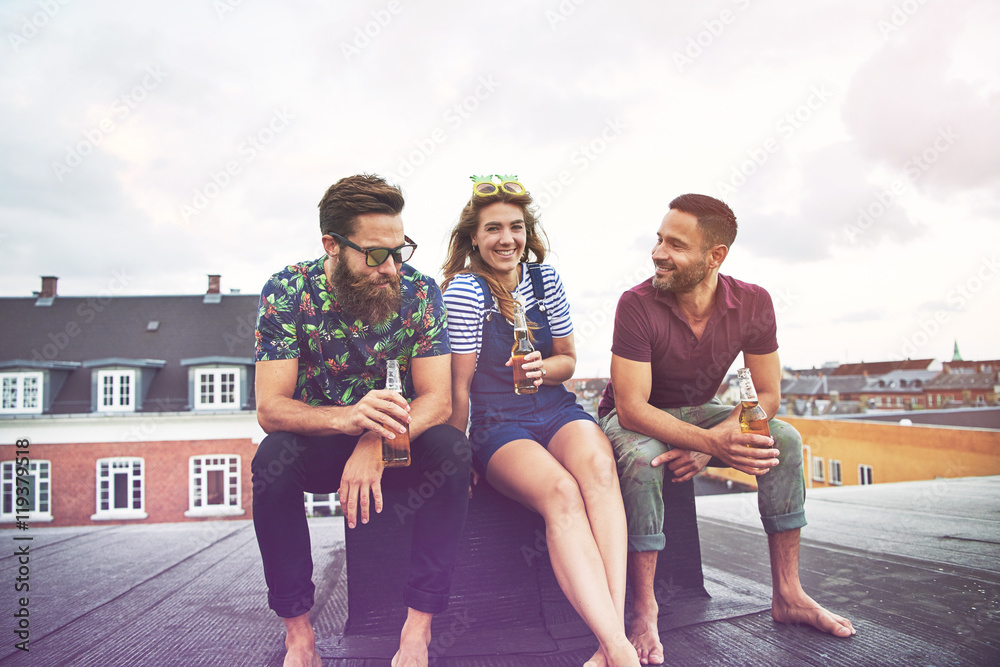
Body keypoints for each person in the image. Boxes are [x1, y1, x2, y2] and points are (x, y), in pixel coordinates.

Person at [597, 193, 856, 665]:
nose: (657, 252)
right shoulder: (636, 304)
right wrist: (709, 442)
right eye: (659, 239)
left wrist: (706, 446)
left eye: (675, 244)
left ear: (715, 255)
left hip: (702, 410)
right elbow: (632, 409)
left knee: (784, 439)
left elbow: (768, 397)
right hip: (637, 416)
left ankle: (789, 593)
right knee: (641, 458)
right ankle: (644, 609)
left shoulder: (754, 302)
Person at [252, 174, 471, 667]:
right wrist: (349, 420)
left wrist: (374, 442)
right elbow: (271, 408)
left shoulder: (419, 290)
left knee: (453, 451)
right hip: (324, 438)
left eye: (400, 250)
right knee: (273, 460)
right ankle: (299, 635)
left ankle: (417, 632)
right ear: (331, 245)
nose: (391, 267)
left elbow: (436, 399)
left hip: (398, 438)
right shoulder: (287, 290)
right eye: (375, 254)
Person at [441, 175, 639, 667]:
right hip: (497, 422)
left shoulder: (546, 280)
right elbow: (458, 388)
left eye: (516, 226)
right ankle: (620, 647)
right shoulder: (465, 291)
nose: (507, 238)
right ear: (473, 238)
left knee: (599, 467)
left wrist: (541, 368)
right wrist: (457, 452)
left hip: (554, 408)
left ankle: (608, 643)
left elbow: (568, 361)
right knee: (561, 493)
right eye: (493, 229)